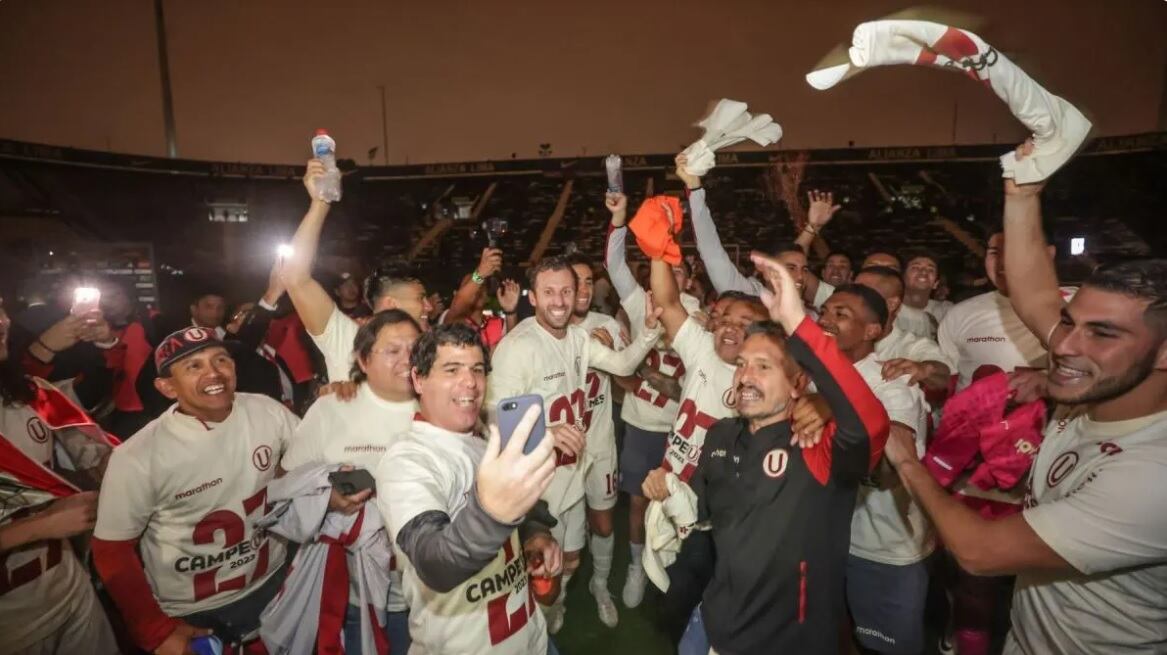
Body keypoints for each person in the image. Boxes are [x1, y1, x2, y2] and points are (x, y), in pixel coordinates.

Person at [883, 150, 1167, 654]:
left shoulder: (1153, 474)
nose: (1064, 346)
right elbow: (1032, 295)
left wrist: (906, 460)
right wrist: (1021, 190)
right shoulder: (1095, 392)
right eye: (1069, 323)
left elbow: (979, 551)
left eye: (1102, 333)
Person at [685, 253, 889, 654]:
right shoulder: (721, 434)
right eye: (742, 364)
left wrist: (798, 324)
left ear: (797, 384)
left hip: (787, 642)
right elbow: (703, 512)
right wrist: (670, 498)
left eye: (764, 367)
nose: (745, 376)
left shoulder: (814, 444)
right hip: (713, 622)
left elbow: (871, 425)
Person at [92, 327, 298, 654]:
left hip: (273, 581)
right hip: (195, 610)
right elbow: (112, 549)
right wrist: (155, 631)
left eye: (221, 359)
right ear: (167, 387)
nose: (213, 372)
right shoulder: (138, 456)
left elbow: (309, 459)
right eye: (194, 366)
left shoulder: (265, 410)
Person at [487, 255, 664, 634]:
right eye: (549, 292)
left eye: (566, 291)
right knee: (540, 570)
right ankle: (539, 624)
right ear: (532, 297)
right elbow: (493, 421)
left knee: (569, 558)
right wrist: (545, 431)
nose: (559, 301)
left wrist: (649, 332)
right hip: (539, 486)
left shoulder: (578, 337)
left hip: (573, 474)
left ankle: (559, 606)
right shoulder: (516, 348)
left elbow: (621, 365)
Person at [375, 324, 564, 654]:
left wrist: (534, 533)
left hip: (532, 638)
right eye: (452, 369)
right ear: (418, 379)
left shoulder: (484, 438)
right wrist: (492, 514)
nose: (470, 382)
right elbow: (434, 561)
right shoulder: (407, 460)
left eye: (477, 369)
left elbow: (518, 509)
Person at [638, 252, 770, 646]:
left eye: (744, 324)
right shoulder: (701, 349)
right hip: (668, 488)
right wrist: (657, 248)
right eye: (725, 318)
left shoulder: (768, 381)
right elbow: (667, 301)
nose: (730, 327)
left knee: (702, 597)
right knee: (667, 591)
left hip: (715, 517)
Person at [279, 309, 423, 652]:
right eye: (393, 350)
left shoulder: (445, 403)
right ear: (363, 359)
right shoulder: (331, 409)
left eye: (416, 348)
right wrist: (327, 499)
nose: (408, 359)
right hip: (359, 594)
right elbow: (287, 483)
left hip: (436, 594)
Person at [0, 297, 120, 655]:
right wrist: (40, 527)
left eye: (0, 308)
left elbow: (95, 453)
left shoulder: (28, 394)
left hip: (70, 592)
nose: (2, 321)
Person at [818, 285, 933, 654]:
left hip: (882, 546)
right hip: (826, 540)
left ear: (872, 330)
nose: (826, 320)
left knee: (883, 648)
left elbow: (889, 470)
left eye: (841, 314)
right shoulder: (812, 374)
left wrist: (834, 412)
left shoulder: (891, 382)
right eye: (824, 311)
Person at [604, 189, 699, 608]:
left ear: (689, 280)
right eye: (666, 268)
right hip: (642, 424)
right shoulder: (639, 303)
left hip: (684, 429)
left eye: (678, 270)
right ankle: (636, 566)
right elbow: (614, 265)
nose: (671, 275)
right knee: (638, 502)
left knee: (685, 507)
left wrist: (659, 382)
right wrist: (619, 221)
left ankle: (677, 569)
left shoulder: (706, 316)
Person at [281, 159, 434, 382]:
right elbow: (295, 278)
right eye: (421, 299)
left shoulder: (433, 350)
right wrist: (320, 203)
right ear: (391, 305)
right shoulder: (349, 340)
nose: (429, 307)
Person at [565, 253, 626, 627]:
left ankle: (600, 585)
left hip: (600, 441)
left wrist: (614, 355)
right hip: (561, 449)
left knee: (603, 524)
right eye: (577, 282)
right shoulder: (543, 331)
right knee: (559, 530)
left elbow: (626, 386)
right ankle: (557, 596)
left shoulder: (607, 325)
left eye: (590, 281)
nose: (585, 289)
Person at [856, 266, 955, 394]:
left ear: (891, 304)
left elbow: (943, 374)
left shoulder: (913, 346)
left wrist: (923, 369)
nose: (851, 300)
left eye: (864, 295)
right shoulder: (835, 338)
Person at [441, 247, 522, 351]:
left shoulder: (498, 324)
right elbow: (461, 301)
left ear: (487, 297)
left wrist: (511, 312)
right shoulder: (453, 320)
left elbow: (511, 349)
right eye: (468, 286)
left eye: (481, 286)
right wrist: (480, 274)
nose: (476, 290)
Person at [898, 253, 950, 339]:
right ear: (902, 278)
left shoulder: (946, 311)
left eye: (930, 270)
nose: (923, 272)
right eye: (915, 267)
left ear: (935, 283)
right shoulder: (889, 311)